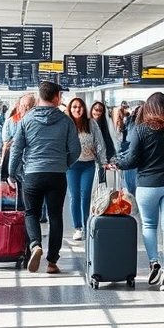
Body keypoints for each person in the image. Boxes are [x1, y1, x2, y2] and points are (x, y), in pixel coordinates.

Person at [113, 92, 164, 291]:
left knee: (149, 225)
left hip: (148, 185)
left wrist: (116, 163)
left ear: (148, 108)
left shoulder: (141, 129)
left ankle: (154, 261)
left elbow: (131, 160)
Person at [9, 81, 81, 275]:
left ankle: (35, 245)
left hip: (32, 173)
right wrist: (64, 164)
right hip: (57, 174)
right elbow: (76, 150)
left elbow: (16, 148)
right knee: (55, 216)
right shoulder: (66, 121)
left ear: (40, 96)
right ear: (57, 97)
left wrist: (11, 173)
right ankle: (52, 262)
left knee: (31, 213)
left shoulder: (26, 119)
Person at [66, 98, 108, 241]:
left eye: (80, 107)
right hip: (72, 166)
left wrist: (103, 161)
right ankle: (78, 227)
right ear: (70, 109)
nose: (77, 110)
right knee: (74, 196)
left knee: (85, 195)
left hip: (88, 165)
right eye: (74, 107)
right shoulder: (67, 124)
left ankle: (86, 225)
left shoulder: (91, 124)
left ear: (84, 108)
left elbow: (99, 142)